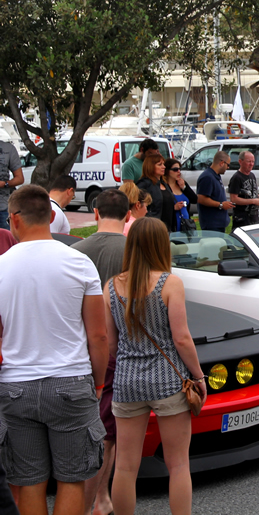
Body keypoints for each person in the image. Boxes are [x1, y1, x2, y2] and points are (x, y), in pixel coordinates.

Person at [0, 185, 108, 515]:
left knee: (29, 481)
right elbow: (99, 336)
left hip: (15, 385)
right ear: (50, 216)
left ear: (13, 220)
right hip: (70, 381)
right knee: (71, 480)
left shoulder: (1, 265)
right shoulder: (80, 263)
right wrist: (99, 383)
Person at [105, 217, 207, 515]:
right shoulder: (170, 283)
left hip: (126, 382)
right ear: (162, 245)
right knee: (178, 464)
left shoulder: (111, 286)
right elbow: (182, 339)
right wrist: (198, 376)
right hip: (167, 381)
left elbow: (111, 344)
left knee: (125, 465)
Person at [73, 189, 130, 515]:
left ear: (95, 213)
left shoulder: (77, 250)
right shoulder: (133, 251)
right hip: (122, 350)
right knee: (108, 434)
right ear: (126, 215)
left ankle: (99, 499)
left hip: (81, 348)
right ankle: (99, 499)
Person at [196, 150, 235, 233]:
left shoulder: (216, 176)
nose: (228, 167)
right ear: (221, 163)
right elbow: (201, 198)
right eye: (227, 164)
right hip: (211, 225)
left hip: (219, 223)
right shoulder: (207, 177)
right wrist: (220, 205)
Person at [228, 151, 259, 229]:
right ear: (240, 162)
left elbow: (250, 193)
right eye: (248, 161)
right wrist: (253, 201)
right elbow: (233, 199)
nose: (251, 164)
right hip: (242, 218)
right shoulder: (236, 178)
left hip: (254, 217)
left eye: (253, 161)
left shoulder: (252, 175)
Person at [164, 158, 196, 233]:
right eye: (175, 169)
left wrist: (184, 188)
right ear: (168, 171)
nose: (179, 172)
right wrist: (173, 208)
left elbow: (194, 199)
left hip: (185, 224)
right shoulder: (164, 187)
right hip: (173, 224)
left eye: (179, 169)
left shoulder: (181, 183)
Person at [0, 139, 25, 230]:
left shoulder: (8, 149)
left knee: (8, 241)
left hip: (3, 208)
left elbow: (20, 178)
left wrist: (5, 184)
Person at [135, 152, 167, 221]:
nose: (164, 167)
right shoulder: (144, 184)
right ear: (151, 166)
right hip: (152, 224)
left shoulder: (164, 183)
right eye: (159, 164)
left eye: (163, 164)